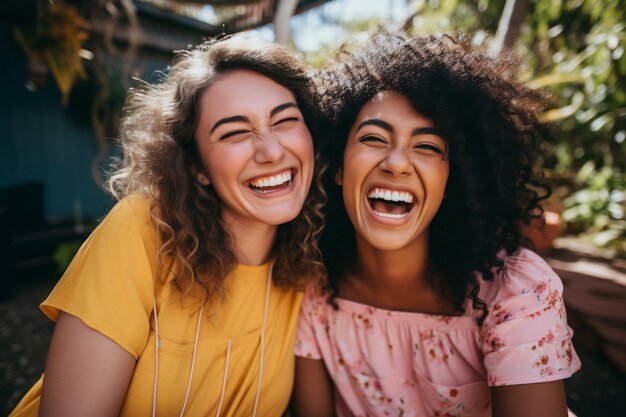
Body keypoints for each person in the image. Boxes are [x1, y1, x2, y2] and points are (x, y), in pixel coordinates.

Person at [10, 35, 325, 417]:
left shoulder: (309, 263)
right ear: (196, 167)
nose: (272, 151)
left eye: (286, 120)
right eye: (235, 132)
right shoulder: (142, 230)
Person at [291, 31, 581, 417]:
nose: (396, 162)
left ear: (451, 180)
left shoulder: (513, 293)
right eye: (374, 138)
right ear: (339, 166)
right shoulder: (314, 290)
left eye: (427, 146)